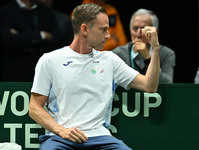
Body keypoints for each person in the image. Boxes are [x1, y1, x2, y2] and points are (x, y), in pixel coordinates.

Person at [29, 3, 160, 149]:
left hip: (101, 138)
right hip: (60, 138)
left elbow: (150, 86)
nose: (108, 35)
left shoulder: (110, 59)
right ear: (84, 29)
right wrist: (61, 130)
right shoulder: (50, 60)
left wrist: (155, 48)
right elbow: (34, 108)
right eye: (103, 30)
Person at [0, 0, 62, 81]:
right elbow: (8, 39)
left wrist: (20, 37)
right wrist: (41, 35)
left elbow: (56, 38)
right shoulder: (6, 11)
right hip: (14, 72)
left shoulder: (46, 11)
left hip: (41, 73)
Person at [113, 8, 176, 84]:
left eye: (144, 29)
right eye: (135, 28)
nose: (138, 34)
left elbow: (167, 84)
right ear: (130, 31)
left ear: (155, 32)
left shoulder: (166, 53)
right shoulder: (118, 53)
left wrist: (148, 59)